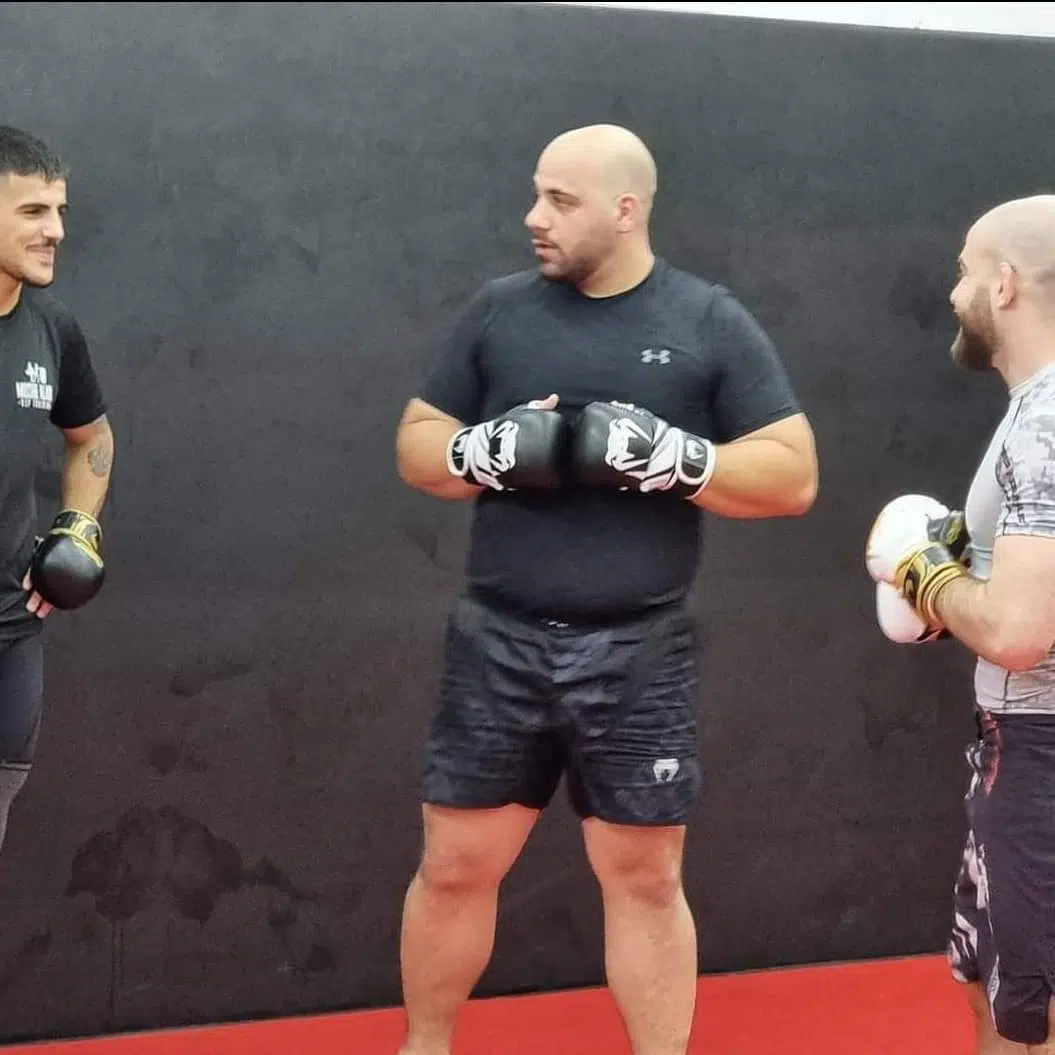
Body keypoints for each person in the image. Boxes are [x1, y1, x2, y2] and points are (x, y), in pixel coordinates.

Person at [393, 123, 818, 1055]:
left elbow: (792, 474)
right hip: (499, 637)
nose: (533, 217)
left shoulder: (704, 319)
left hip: (638, 649)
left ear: (625, 211)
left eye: (560, 200)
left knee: (645, 878)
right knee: (454, 862)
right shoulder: (499, 312)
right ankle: (424, 1046)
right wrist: (480, 450)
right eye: (536, 193)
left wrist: (679, 458)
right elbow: (417, 443)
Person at [866, 195, 1055, 1054]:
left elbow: (1018, 632)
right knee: (988, 986)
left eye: (964, 271)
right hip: (1018, 742)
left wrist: (923, 571)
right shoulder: (1031, 410)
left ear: (1003, 285)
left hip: (1041, 745)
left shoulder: (1044, 423)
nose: (952, 293)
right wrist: (961, 573)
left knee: (1034, 1018)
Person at [0, 125, 113, 853]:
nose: (57, 231)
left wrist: (76, 525)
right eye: (34, 211)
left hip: (10, 632)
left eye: (60, 211)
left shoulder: (52, 330)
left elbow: (92, 436)